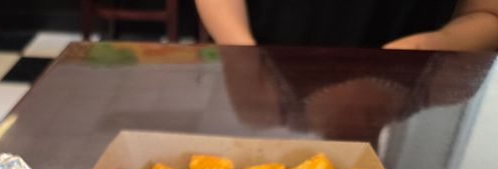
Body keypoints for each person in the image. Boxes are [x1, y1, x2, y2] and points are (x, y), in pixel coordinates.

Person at [195, 0, 498, 50]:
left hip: (415, 93)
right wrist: (244, 51)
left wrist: (432, 45)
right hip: (266, 73)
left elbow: (488, 14)